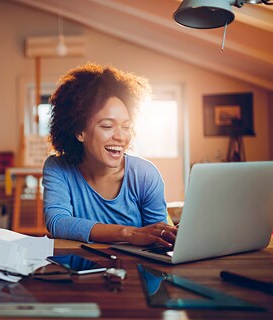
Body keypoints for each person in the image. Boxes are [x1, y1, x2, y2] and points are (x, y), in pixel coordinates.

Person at [42, 62, 177, 247]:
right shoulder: (58, 168)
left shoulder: (145, 174)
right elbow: (58, 223)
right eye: (107, 126)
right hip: (78, 272)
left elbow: (158, 239)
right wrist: (127, 232)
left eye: (126, 126)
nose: (121, 136)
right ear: (80, 131)